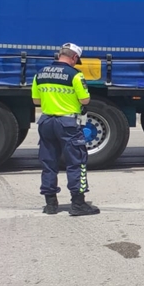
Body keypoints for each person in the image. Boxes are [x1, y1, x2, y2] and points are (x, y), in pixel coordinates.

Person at [32, 43, 100, 216]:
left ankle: (50, 205)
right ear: (74, 57)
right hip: (68, 123)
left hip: (46, 122)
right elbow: (84, 100)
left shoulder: (40, 73)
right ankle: (78, 204)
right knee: (76, 162)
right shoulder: (75, 75)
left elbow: (36, 101)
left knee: (48, 163)